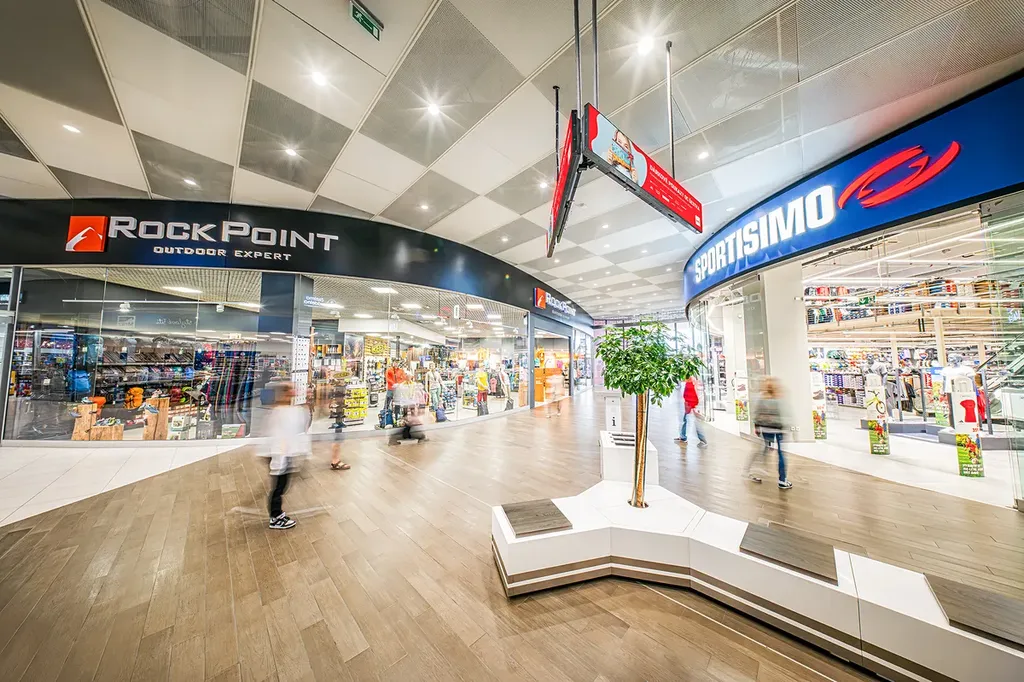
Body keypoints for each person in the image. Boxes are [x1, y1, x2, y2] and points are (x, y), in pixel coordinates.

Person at [266, 382, 310, 529]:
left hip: (285, 454)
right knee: (279, 487)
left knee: (282, 485)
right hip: (281, 454)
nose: (294, 392)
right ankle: (275, 517)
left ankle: (277, 514)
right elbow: (279, 434)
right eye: (290, 389)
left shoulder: (288, 410)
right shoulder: (279, 412)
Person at [749, 376, 792, 489]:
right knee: (781, 454)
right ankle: (782, 480)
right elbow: (785, 414)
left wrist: (757, 426)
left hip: (765, 429)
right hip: (778, 429)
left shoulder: (762, 399)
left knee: (765, 448)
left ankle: (759, 470)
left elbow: (757, 414)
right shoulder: (779, 399)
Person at [675, 376, 707, 447]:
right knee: (685, 420)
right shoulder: (688, 383)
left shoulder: (690, 383)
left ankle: (703, 440)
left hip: (691, 405)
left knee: (696, 423)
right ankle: (683, 436)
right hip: (689, 405)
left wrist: (692, 406)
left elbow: (693, 395)